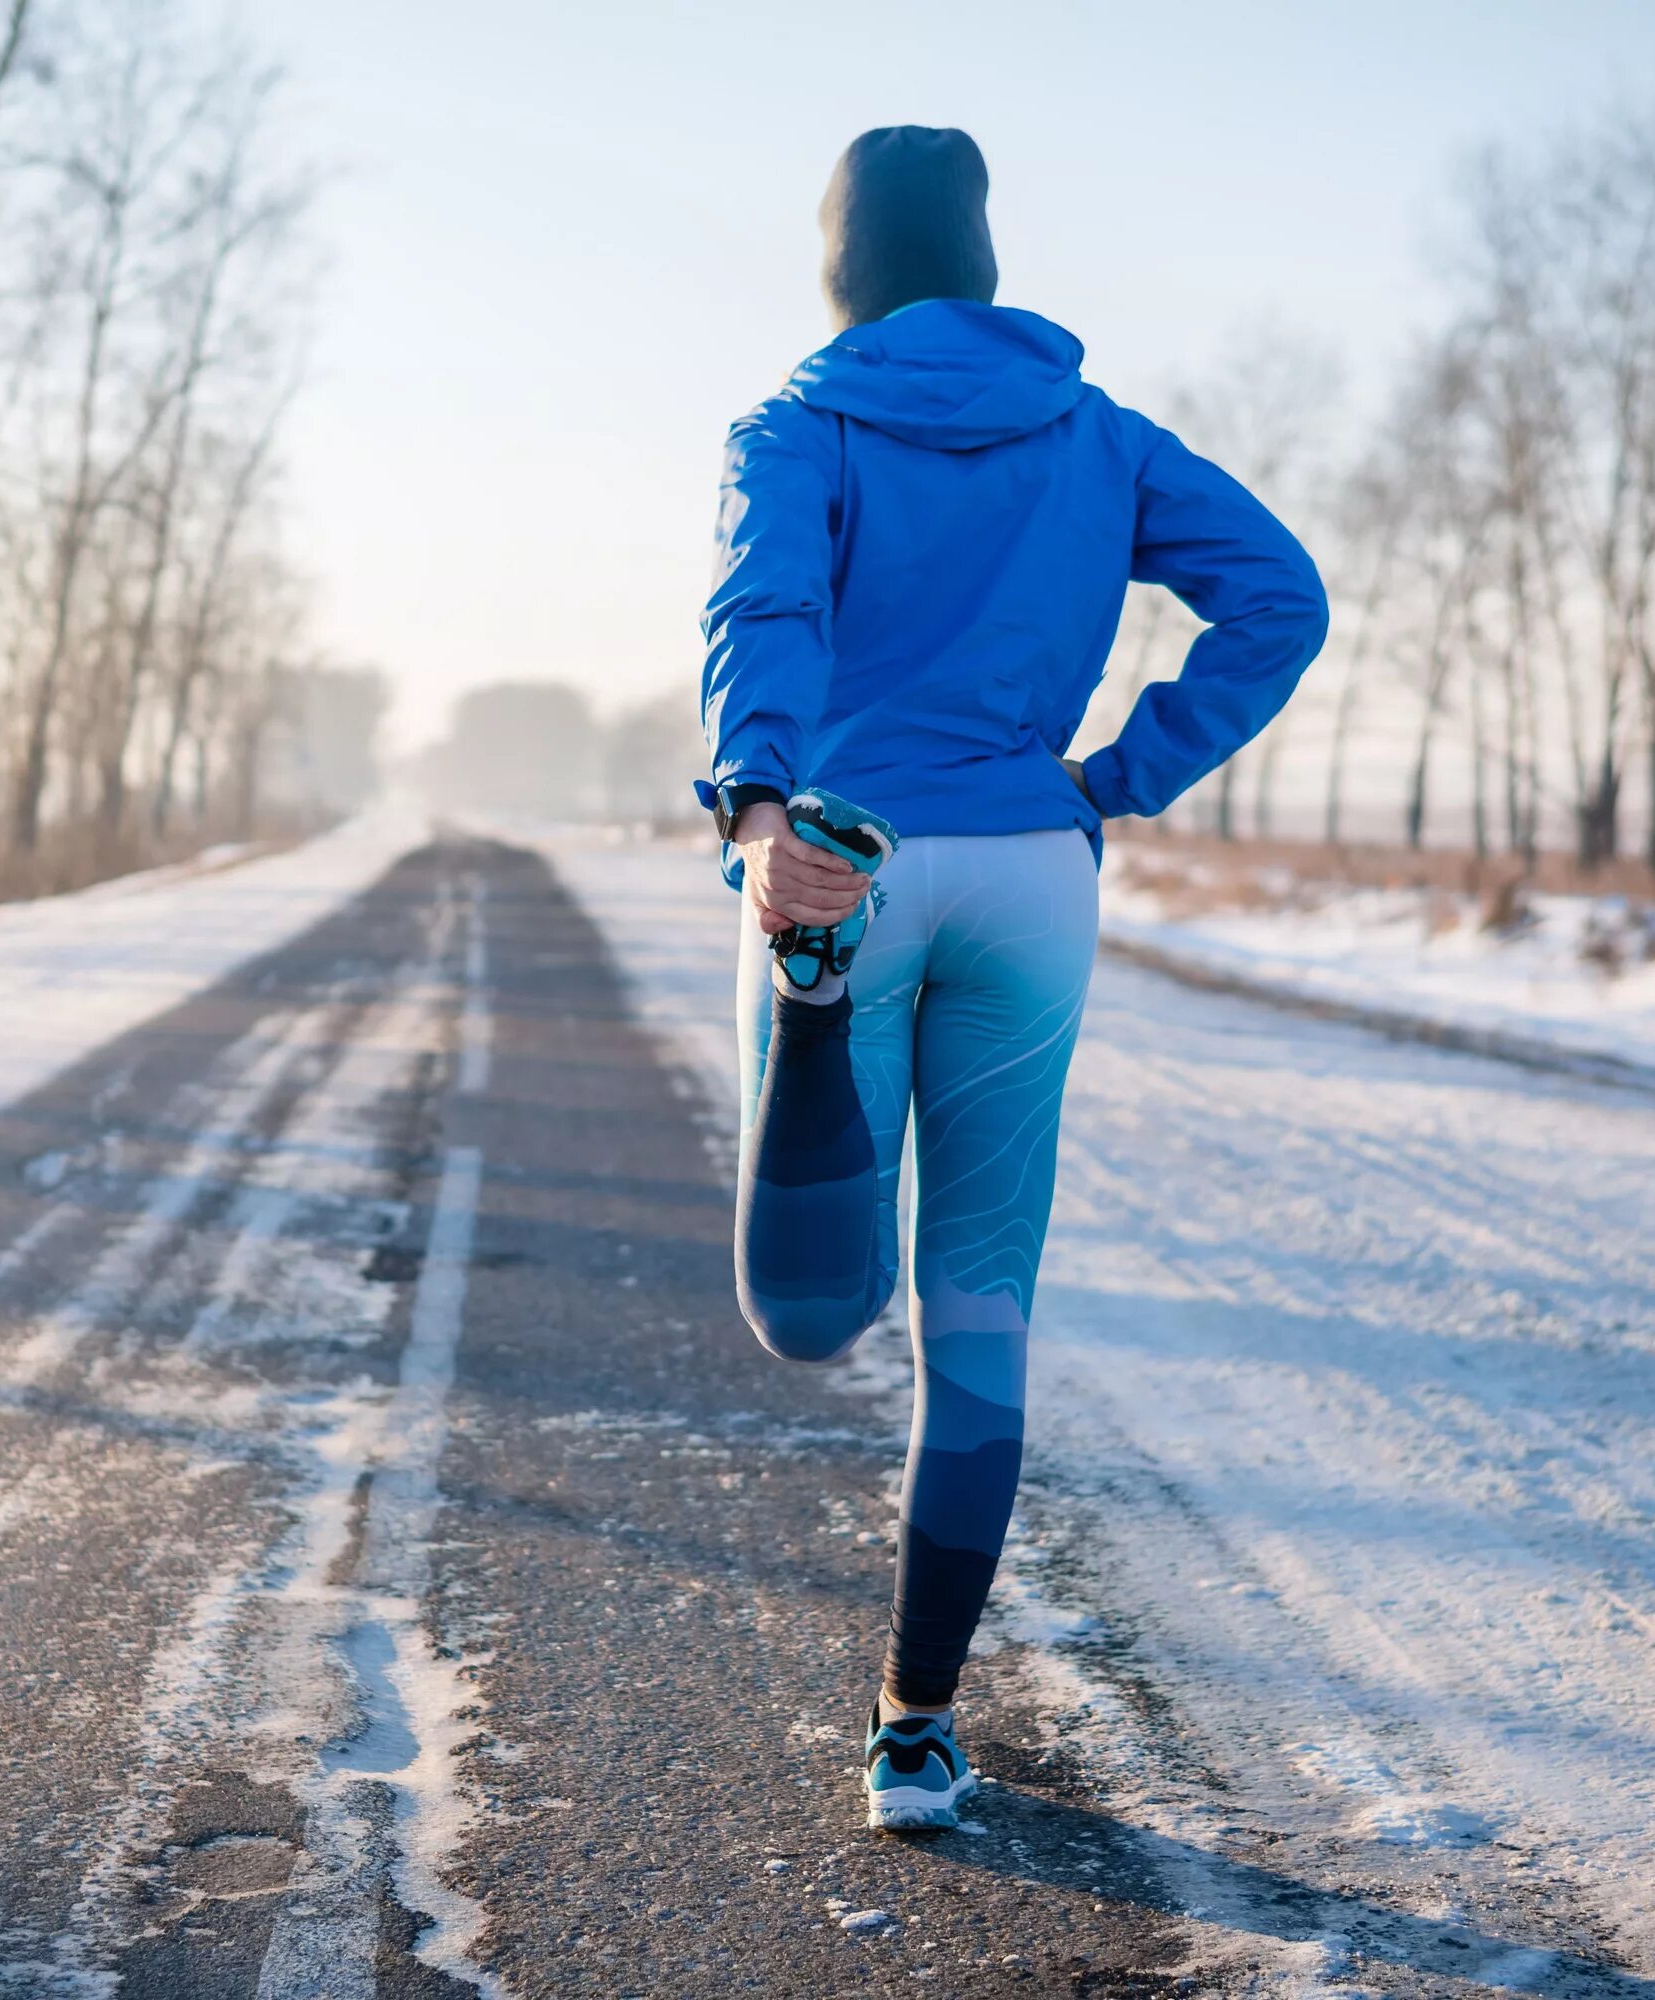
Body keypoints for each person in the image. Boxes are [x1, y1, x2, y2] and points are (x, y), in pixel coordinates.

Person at [695, 125, 1329, 1831]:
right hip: (1035, 877)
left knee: (815, 1312)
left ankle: (816, 1004)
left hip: (847, 854)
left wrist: (758, 813)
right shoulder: (1100, 436)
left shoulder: (800, 426)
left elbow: (764, 616)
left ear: (844, 265)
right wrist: (1118, 775)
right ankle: (916, 1732)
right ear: (976, 260)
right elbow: (1279, 597)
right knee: (982, 1316)